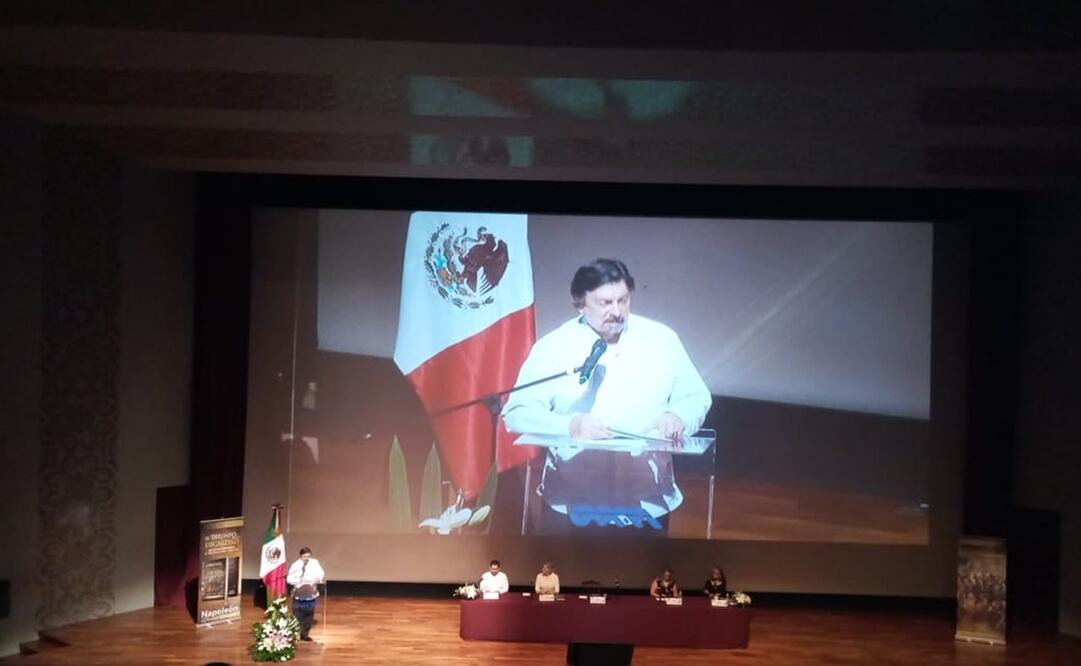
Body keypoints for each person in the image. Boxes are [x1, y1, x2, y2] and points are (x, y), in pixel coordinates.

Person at [502, 258, 712, 534]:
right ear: (580, 303)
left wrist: (678, 416)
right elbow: (517, 413)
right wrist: (569, 425)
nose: (616, 311)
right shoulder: (553, 347)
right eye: (605, 303)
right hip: (572, 500)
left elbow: (695, 396)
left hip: (646, 499)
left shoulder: (662, 339)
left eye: (623, 301)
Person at [286, 547, 325, 642]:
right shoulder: (296, 565)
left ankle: (304, 635)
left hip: (310, 593)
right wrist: (299, 580)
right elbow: (289, 579)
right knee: (297, 616)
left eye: (308, 556)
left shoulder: (314, 563)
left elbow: (321, 574)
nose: (306, 558)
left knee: (308, 616)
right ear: (301, 556)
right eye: (304, 556)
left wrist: (316, 578)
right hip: (299, 594)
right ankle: (293, 635)